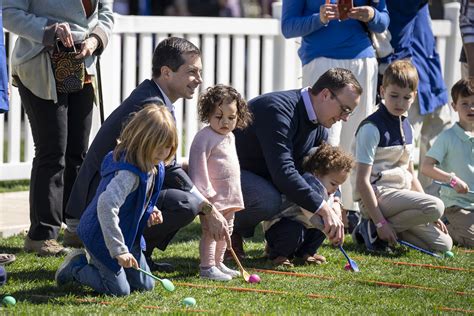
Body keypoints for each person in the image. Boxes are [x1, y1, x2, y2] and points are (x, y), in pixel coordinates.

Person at [64, 37, 229, 271]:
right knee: (187, 203)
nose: (199, 80)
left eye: (199, 72)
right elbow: (169, 168)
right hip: (100, 202)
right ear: (166, 72)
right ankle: (130, 252)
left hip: (115, 191)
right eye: (192, 71)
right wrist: (207, 206)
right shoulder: (151, 103)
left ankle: (141, 255)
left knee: (188, 199)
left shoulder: (154, 95)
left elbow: (164, 164)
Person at [2, 0, 114, 256]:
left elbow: (106, 15)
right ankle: (41, 235)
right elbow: (7, 13)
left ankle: (74, 227)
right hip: (38, 65)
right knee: (53, 152)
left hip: (82, 68)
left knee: (78, 152)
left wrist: (95, 41)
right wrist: (48, 29)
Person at [230, 68, 362, 259]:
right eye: (345, 109)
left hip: (265, 179)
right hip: (230, 177)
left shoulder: (319, 124)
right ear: (326, 94)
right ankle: (229, 235)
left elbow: (326, 169)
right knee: (269, 199)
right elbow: (284, 173)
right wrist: (322, 208)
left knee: (309, 190)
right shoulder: (278, 110)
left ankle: (293, 246)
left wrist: (334, 201)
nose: (346, 117)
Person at [281, 0, 389, 215]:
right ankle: (318, 208)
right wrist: (319, 18)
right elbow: (288, 27)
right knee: (324, 141)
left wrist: (371, 15)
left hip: (362, 60)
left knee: (359, 139)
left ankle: (355, 211)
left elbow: (383, 21)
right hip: (320, 62)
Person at [55, 104, 176, 296]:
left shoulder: (154, 165)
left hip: (128, 236)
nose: (163, 154)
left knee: (146, 286)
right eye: (158, 148)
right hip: (102, 237)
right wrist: (119, 251)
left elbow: (138, 198)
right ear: (142, 142)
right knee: (119, 291)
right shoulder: (128, 174)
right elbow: (106, 205)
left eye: (167, 147)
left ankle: (118, 271)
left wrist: (149, 209)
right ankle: (76, 267)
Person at [351, 60, 453, 253]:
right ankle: (374, 227)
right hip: (376, 194)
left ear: (414, 97)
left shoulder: (408, 126)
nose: (400, 103)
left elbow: (411, 174)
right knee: (437, 205)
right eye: (394, 96)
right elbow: (362, 181)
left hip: (400, 197)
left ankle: (374, 232)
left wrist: (430, 214)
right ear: (382, 92)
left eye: (406, 97)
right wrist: (381, 222)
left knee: (443, 244)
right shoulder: (371, 128)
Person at [381, 0, 451, 189]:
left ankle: (436, 208)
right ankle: (411, 209)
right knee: (404, 156)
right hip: (406, 85)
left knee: (442, 152)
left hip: (433, 80)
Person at [188, 85, 252, 281]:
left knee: (227, 230)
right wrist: (206, 195)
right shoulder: (204, 137)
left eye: (231, 118)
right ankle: (207, 267)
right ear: (208, 114)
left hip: (229, 194)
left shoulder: (230, 136)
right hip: (213, 197)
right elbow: (197, 166)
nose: (225, 122)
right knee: (211, 231)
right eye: (218, 116)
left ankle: (218, 262)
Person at [263, 143, 354, 267]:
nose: (335, 189)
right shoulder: (310, 183)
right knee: (294, 231)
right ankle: (278, 254)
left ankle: (305, 252)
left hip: (304, 225)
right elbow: (314, 217)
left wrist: (336, 212)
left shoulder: (326, 186)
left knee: (318, 231)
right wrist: (332, 232)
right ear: (317, 174)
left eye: (338, 186)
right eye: (333, 184)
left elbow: (327, 211)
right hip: (281, 225)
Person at [421, 78, 474, 248]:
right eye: (464, 103)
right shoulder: (447, 137)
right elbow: (426, 167)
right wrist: (452, 180)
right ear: (454, 106)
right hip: (457, 206)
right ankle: (447, 226)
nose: (471, 108)